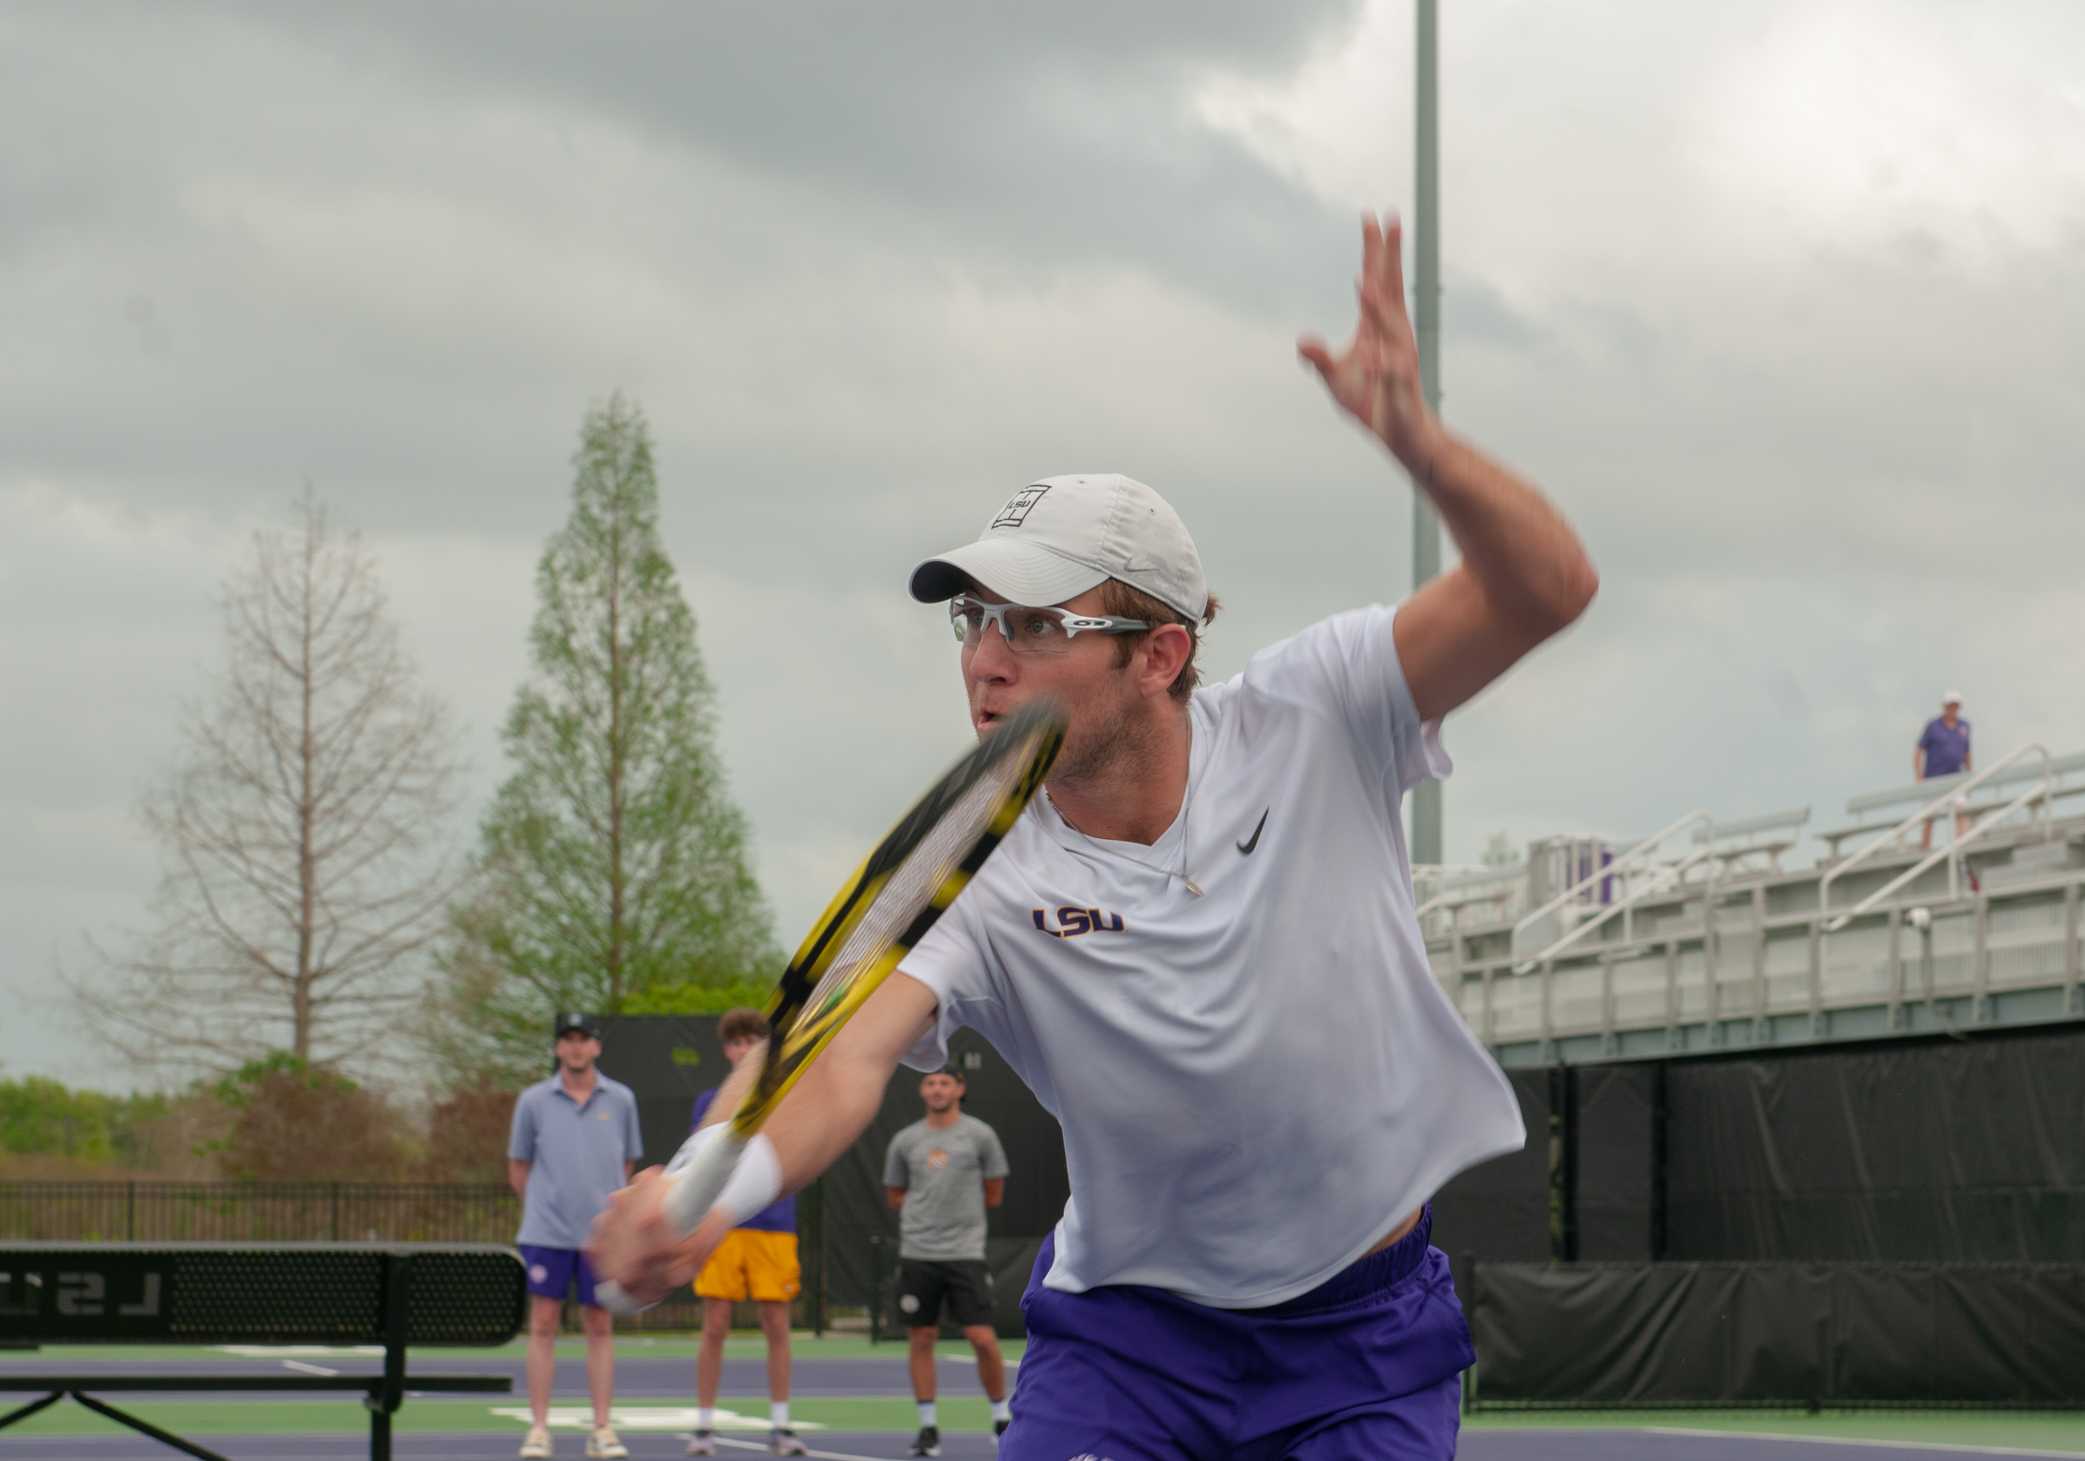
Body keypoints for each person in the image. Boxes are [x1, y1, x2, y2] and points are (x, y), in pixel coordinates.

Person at [594, 214, 1598, 1459]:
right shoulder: (967, 866)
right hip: (1129, 1348)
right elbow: (835, 1058)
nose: (984, 659)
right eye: (969, 621)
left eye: (1029, 622)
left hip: (1364, 1338)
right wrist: (706, 1185)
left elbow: (1547, 587)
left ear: (1158, 655)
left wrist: (1419, 442)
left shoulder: (1320, 713)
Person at [509, 1012, 643, 1460]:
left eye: (584, 1039)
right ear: (556, 1049)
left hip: (601, 1237)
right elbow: (519, 1166)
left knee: (599, 1327)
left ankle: (602, 1428)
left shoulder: (621, 1099)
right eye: (567, 1040)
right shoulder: (533, 1101)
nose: (576, 1048)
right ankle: (539, 1428)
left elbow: (627, 1166)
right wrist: (546, 1208)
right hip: (546, 1233)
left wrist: (605, 1213)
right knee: (543, 1325)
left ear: (597, 1047)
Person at [688, 1009, 807, 1457]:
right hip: (721, 1229)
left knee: (776, 1324)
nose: (742, 1050)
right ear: (726, 1049)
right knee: (714, 1324)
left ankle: (781, 1425)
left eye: (750, 1041)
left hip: (774, 1227)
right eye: (735, 1042)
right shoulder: (710, 1102)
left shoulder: (788, 1095)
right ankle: (703, 1427)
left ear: (763, 1047)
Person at [882, 1064, 1011, 1456]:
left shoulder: (980, 1135)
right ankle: (928, 1429)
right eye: (930, 1082)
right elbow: (895, 1194)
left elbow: (994, 1193)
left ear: (959, 1089)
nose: (937, 1089)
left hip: (965, 1252)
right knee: (922, 1337)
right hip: (918, 1252)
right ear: (923, 1091)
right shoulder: (906, 1140)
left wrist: (959, 1221)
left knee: (982, 1338)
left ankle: (1001, 1418)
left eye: (944, 1082)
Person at [1916, 690, 1974, 850]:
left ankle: (1961, 845)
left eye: (1956, 706)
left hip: (1956, 778)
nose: (1953, 709)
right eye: (1950, 706)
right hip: (1934, 778)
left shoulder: (1964, 726)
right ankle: (1925, 847)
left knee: (1962, 811)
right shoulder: (1932, 726)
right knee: (1929, 816)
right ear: (1944, 706)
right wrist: (1918, 775)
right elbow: (1919, 750)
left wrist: (1970, 774)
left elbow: (1967, 752)